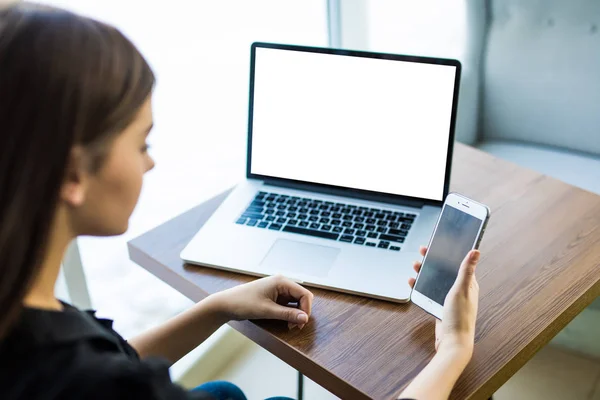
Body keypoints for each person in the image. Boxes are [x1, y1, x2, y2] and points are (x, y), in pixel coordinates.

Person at [0, 4, 479, 400]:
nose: (150, 164)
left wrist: (219, 306)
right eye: (142, 143)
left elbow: (111, 361)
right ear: (72, 174)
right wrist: (454, 348)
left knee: (225, 392)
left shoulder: (21, 301)